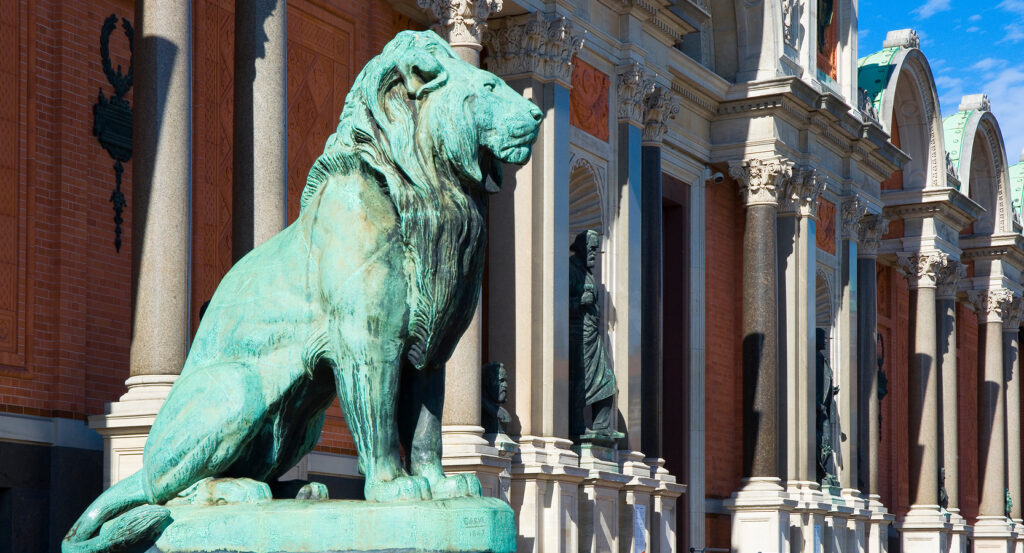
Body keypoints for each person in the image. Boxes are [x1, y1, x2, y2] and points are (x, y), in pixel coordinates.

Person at [569, 230, 620, 442]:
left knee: (608, 380)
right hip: (577, 335)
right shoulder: (570, 271)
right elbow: (557, 306)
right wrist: (580, 301)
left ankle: (601, 427)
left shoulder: (588, 272)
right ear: (580, 248)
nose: (593, 253)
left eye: (596, 249)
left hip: (592, 336)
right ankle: (577, 427)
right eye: (590, 248)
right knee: (579, 382)